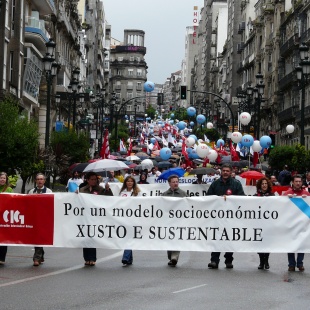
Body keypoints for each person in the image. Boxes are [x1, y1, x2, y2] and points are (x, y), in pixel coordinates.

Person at [206, 163, 245, 269]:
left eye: (228, 171)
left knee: (229, 238)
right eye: (224, 171)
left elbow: (242, 199)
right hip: (217, 217)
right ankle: (214, 260)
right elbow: (208, 198)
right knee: (216, 238)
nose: (225, 172)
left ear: (231, 172)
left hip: (231, 217)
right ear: (221, 171)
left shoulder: (236, 184)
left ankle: (228, 260)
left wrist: (230, 199)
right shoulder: (215, 184)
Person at [79, 171, 113, 266]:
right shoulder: (82, 189)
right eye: (92, 179)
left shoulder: (100, 189)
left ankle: (93, 258)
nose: (94, 181)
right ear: (88, 180)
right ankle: (86, 258)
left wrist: (107, 190)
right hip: (85, 216)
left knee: (92, 237)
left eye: (95, 179)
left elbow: (109, 199)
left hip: (96, 217)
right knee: (85, 238)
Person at [282, 174, 310, 271]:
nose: (298, 183)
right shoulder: (287, 193)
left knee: (302, 244)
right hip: (291, 224)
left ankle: (300, 263)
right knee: (290, 244)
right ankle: (291, 264)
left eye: (299, 181)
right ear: (292, 182)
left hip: (303, 224)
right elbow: (281, 207)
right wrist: (285, 199)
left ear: (302, 182)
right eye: (296, 181)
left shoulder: (307, 194)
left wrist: (305, 200)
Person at [162, 175, 187, 267]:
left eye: (177, 181)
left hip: (179, 220)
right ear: (169, 183)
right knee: (169, 239)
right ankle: (171, 256)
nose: (176, 183)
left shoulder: (183, 194)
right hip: (168, 221)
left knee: (177, 238)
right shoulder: (165, 194)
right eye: (174, 182)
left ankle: (174, 257)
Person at [28, 173, 53, 266]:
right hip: (34, 218)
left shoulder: (49, 191)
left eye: (41, 179)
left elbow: (50, 205)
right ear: (35, 181)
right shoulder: (31, 191)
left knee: (40, 237)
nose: (40, 181)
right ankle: (39, 255)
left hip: (44, 218)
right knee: (36, 237)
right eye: (38, 179)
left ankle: (37, 257)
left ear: (44, 181)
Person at [119, 176, 143, 266]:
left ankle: (125, 257)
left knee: (129, 237)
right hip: (124, 218)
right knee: (127, 238)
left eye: (131, 181)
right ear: (125, 183)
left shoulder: (138, 193)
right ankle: (129, 259)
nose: (129, 183)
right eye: (128, 181)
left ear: (134, 183)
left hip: (134, 218)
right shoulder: (122, 193)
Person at [253, 177, 274, 270]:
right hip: (258, 223)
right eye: (262, 184)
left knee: (267, 242)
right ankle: (261, 261)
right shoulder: (255, 196)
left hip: (268, 222)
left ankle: (266, 260)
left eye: (265, 183)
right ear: (260, 185)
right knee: (260, 242)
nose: (264, 185)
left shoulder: (272, 196)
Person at [0, 172, 14, 265]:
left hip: (4, 216)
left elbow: (13, 201)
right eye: (1, 178)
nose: (2, 179)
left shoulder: (9, 189)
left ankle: (1, 258)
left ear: (6, 180)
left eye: (4, 178)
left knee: (3, 238)